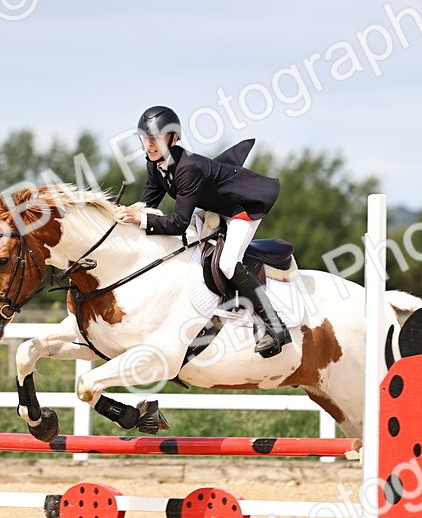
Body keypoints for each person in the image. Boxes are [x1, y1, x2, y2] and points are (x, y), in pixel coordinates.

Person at [115, 105, 291, 357]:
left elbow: (178, 223)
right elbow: (147, 205)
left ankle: (275, 326)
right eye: (145, 138)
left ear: (174, 139)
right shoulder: (154, 164)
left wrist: (140, 218)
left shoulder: (189, 168)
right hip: (213, 208)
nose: (149, 145)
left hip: (240, 210)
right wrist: (121, 216)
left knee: (228, 264)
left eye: (156, 138)